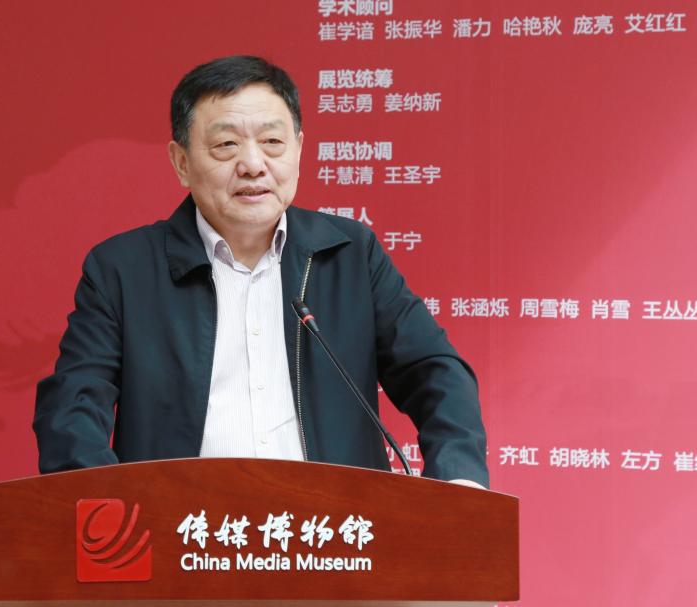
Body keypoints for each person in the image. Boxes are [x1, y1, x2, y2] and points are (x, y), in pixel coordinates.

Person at [33, 55, 489, 488]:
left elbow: (434, 372)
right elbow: (73, 405)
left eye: (272, 142)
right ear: (181, 162)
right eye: (226, 145)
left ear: (299, 150)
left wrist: (458, 480)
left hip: (334, 530)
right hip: (183, 530)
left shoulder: (351, 254)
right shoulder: (122, 270)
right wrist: (112, 510)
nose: (253, 165)